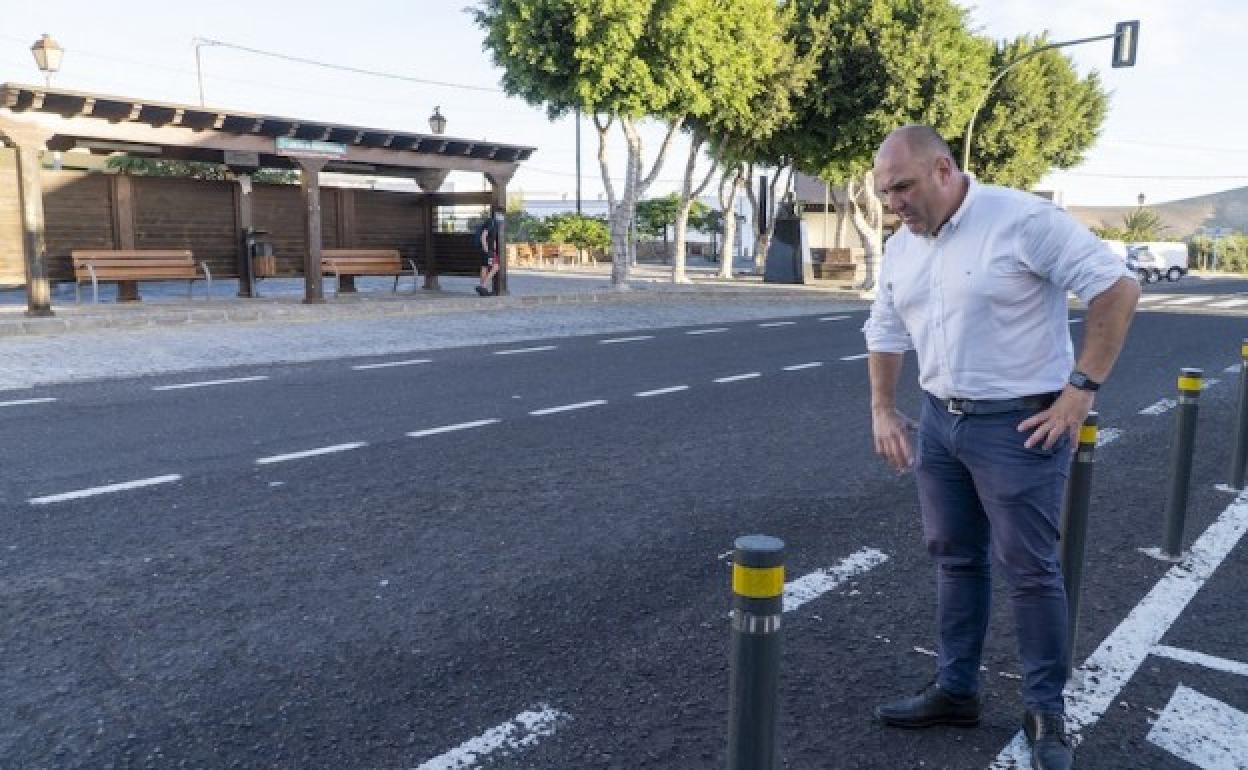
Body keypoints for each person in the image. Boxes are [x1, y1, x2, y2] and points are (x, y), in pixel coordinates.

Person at [863, 125, 1139, 770]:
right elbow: (884, 324)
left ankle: (1047, 710)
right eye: (884, 192)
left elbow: (1116, 287)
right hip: (940, 421)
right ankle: (956, 690)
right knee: (955, 559)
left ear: (943, 169)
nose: (894, 202)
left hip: (1021, 426)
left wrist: (1081, 391)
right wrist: (882, 408)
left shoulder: (1022, 218)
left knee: (1032, 570)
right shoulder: (902, 244)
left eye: (902, 186)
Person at [475, 215, 500, 296]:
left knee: (484, 267)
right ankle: (483, 286)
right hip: (488, 250)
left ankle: (483, 291)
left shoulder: (494, 223)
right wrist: (487, 251)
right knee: (496, 267)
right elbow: (483, 236)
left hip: (486, 250)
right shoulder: (492, 222)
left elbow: (492, 238)